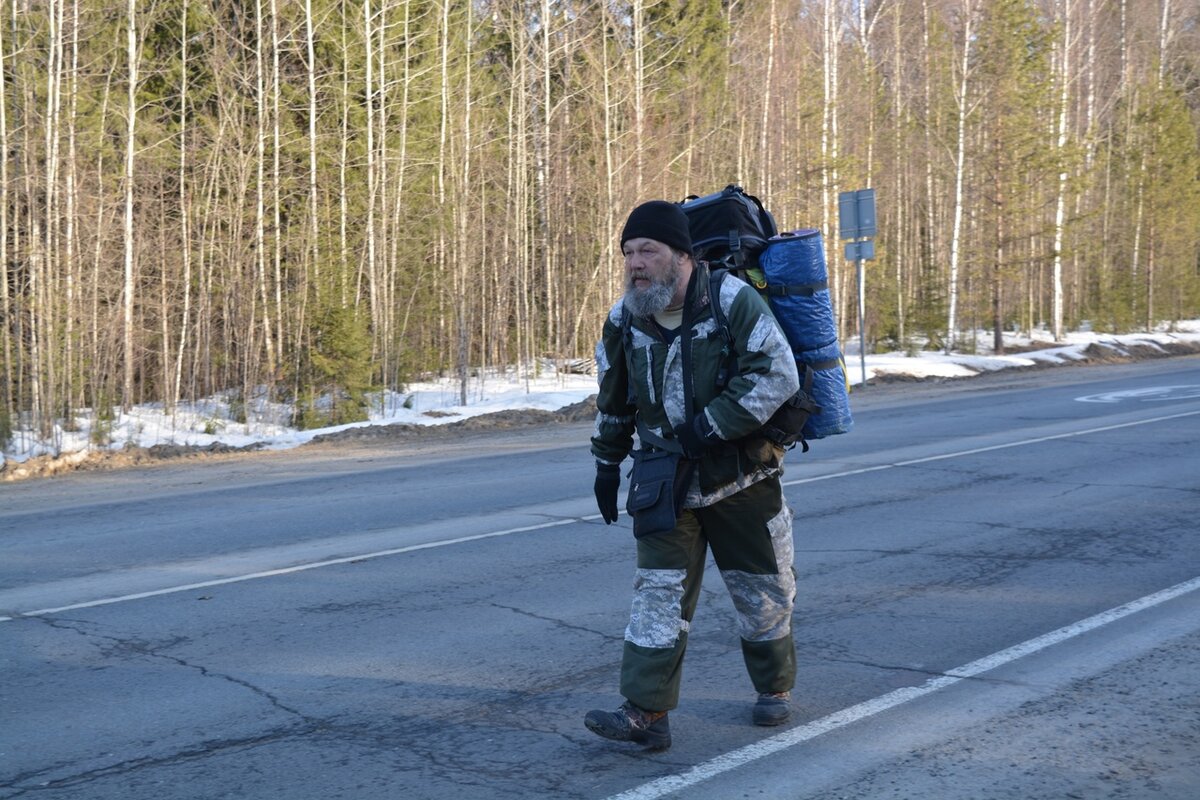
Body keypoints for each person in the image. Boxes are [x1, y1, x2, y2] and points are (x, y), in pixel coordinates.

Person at [585, 200, 802, 750]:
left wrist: (710, 426)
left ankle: (774, 689)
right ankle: (646, 715)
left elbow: (778, 374)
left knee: (762, 594)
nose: (635, 263)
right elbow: (613, 398)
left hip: (742, 478)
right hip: (665, 480)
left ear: (681, 256)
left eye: (648, 251)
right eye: (629, 252)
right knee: (656, 595)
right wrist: (607, 464)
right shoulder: (624, 318)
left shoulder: (732, 301)